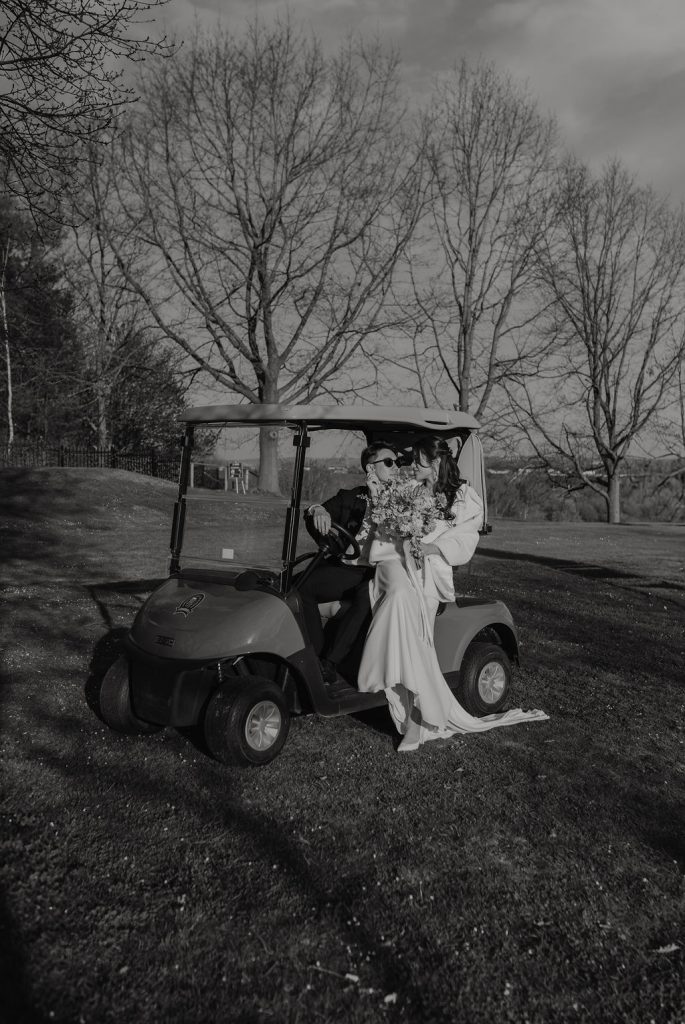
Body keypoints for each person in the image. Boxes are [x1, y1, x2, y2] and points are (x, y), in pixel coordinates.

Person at [357, 435, 548, 751]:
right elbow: (386, 525)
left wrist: (430, 548)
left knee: (418, 639)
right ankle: (408, 709)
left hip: (430, 575)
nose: (411, 465)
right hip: (397, 565)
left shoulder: (462, 497)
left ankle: (418, 717)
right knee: (400, 610)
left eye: (418, 460)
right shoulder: (408, 489)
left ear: (435, 462)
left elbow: (465, 540)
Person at [297, 442, 402, 683]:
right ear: (370, 468)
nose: (396, 467)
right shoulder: (352, 496)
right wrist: (318, 511)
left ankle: (330, 662)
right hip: (347, 568)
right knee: (299, 588)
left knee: (365, 597)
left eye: (397, 463)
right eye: (389, 462)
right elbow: (317, 509)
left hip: (381, 572)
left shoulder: (401, 501)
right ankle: (314, 655)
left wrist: (380, 499)